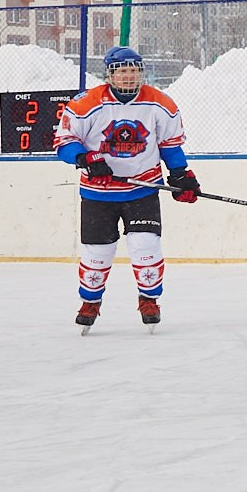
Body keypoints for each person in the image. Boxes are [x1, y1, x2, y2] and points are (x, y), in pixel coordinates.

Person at [53, 44, 196, 331]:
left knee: (145, 246)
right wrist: (85, 158)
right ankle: (91, 302)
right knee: (97, 251)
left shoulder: (160, 103)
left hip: (142, 189)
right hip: (97, 192)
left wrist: (181, 175)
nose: (129, 77)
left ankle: (149, 299)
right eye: (122, 71)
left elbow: (170, 145)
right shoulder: (86, 103)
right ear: (109, 75)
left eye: (134, 71)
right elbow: (64, 142)